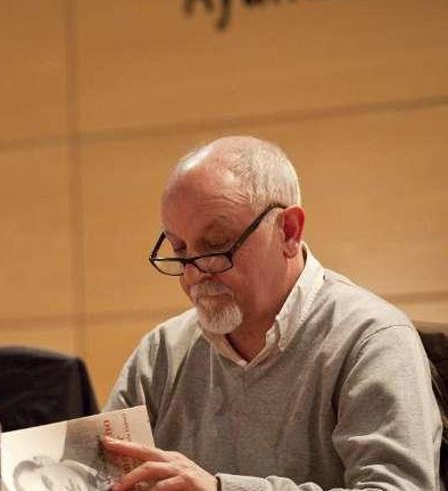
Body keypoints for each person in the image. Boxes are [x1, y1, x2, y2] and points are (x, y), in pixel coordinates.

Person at [101, 136, 442, 490]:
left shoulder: (371, 341)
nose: (193, 273)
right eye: (179, 249)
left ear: (289, 231)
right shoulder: (162, 352)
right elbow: (97, 477)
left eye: (217, 244)